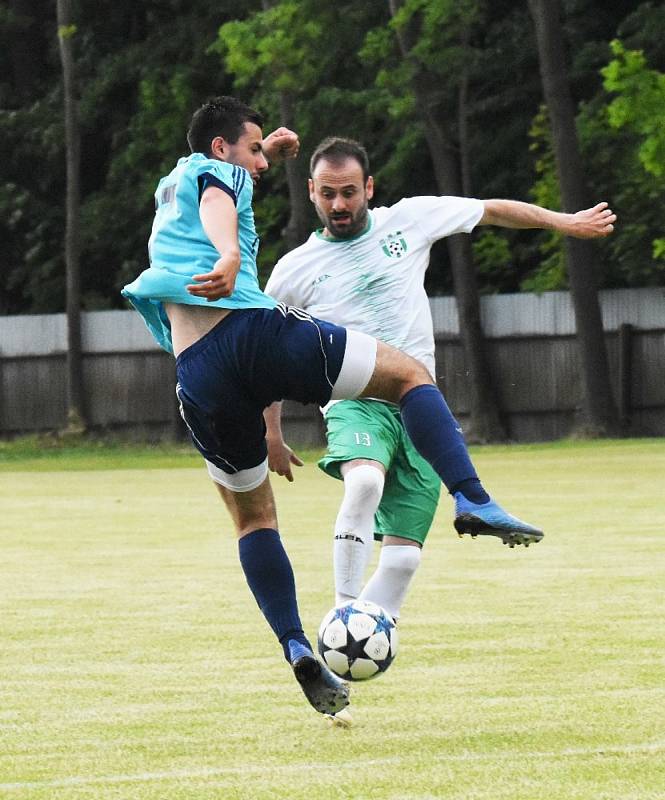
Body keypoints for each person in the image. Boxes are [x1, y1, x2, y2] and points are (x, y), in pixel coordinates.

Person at [121, 100, 614, 719]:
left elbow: (222, 180)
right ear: (222, 148)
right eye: (251, 150)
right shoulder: (222, 185)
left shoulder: (171, 188)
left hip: (197, 375)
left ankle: (296, 643)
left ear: (367, 189)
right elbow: (221, 203)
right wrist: (228, 256)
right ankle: (473, 498)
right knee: (408, 373)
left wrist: (263, 152)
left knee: (252, 522)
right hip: (251, 334)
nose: (259, 163)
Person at [264, 136, 617, 622]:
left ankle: (367, 640)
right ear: (310, 192)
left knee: (405, 555)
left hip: (418, 407)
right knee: (364, 482)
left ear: (368, 187)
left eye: (348, 192)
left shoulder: (409, 218)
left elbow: (491, 210)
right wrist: (272, 431)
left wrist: (564, 221)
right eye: (328, 194)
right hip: (353, 400)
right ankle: (344, 612)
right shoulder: (292, 271)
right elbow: (267, 356)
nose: (339, 204)